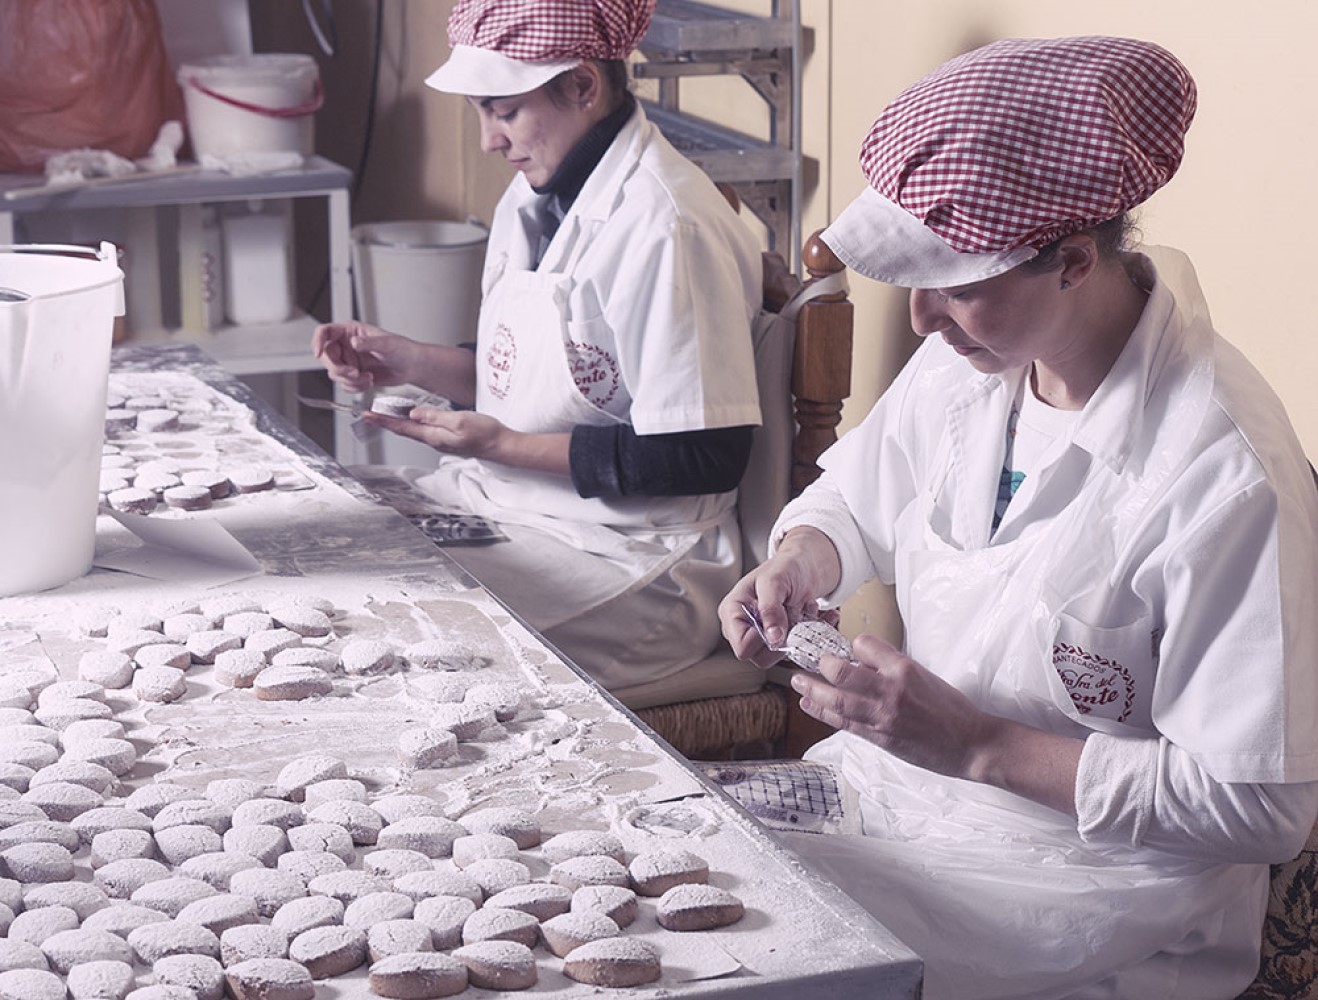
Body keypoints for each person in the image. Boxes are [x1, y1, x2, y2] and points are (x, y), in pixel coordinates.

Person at [719, 35, 1318, 1000]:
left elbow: (1261, 807)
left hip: (1098, 902)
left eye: (952, 284)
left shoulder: (1222, 475)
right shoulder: (978, 364)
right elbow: (856, 497)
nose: (916, 318)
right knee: (674, 868)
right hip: (906, 801)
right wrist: (801, 559)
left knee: (755, 963)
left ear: (1075, 260)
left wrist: (980, 745)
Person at [314, 0, 763, 691]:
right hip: (504, 506)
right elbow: (545, 376)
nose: (491, 140)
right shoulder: (535, 195)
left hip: (637, 561)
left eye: (503, 110)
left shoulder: (665, 227)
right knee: (320, 564)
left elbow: (703, 455)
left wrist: (497, 445)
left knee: (383, 651)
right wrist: (409, 360)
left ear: (583, 85)